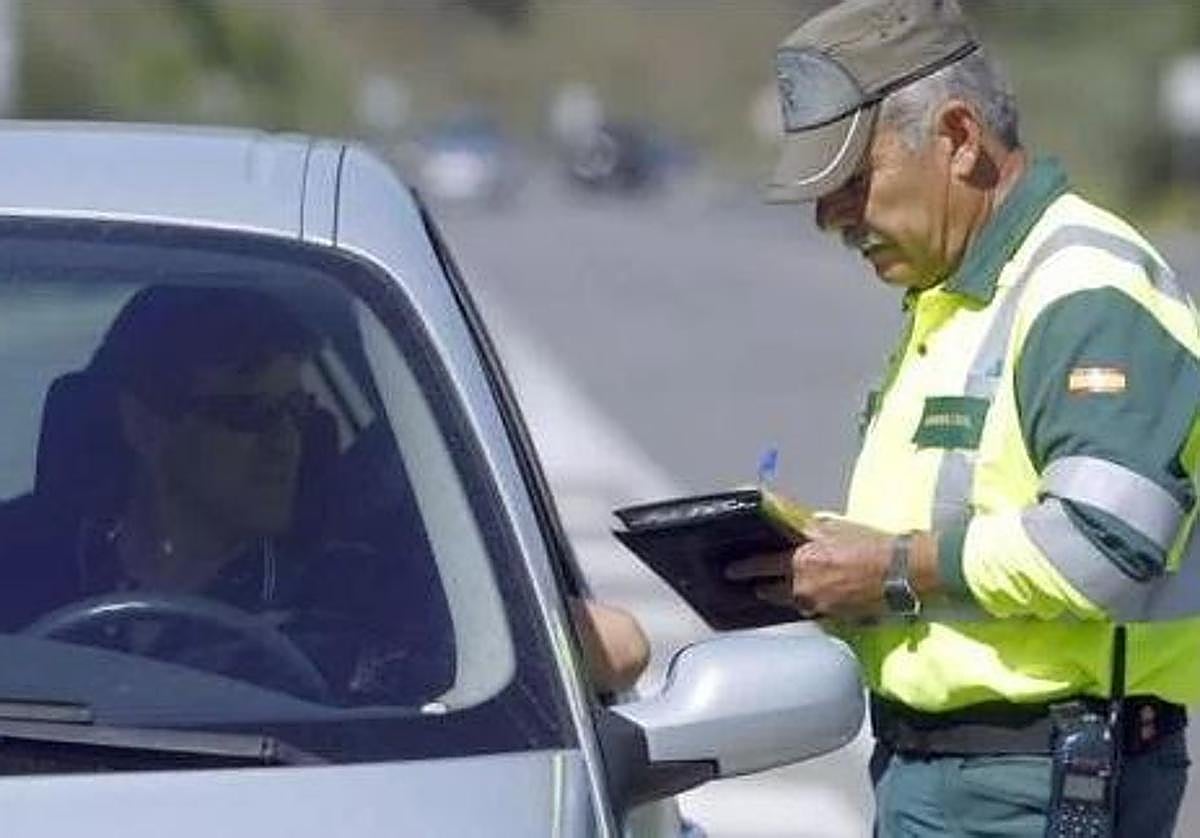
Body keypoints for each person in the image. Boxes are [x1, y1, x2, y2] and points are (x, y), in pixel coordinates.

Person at [726, 1, 1200, 835]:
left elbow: (1105, 544)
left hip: (1038, 784)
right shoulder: (956, 294)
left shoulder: (1086, 289)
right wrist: (837, 562)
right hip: (951, 774)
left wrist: (891, 569)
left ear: (958, 136)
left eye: (853, 181)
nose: (829, 215)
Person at [0, 285, 455, 703]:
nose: (284, 440)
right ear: (145, 425)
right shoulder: (19, 566)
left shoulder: (355, 603)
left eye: (295, 411)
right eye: (249, 412)